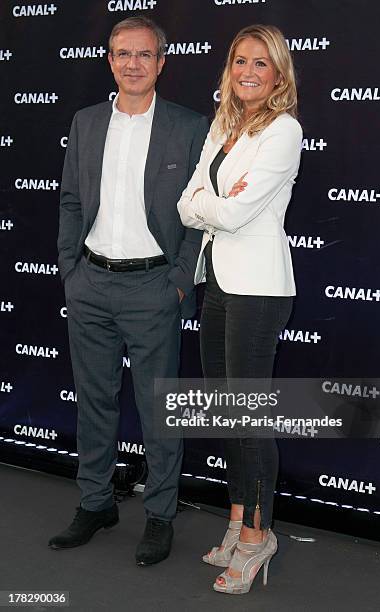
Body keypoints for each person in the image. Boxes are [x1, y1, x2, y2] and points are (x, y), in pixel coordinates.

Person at [50, 16, 209, 566]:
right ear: (110, 60)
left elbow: (198, 217)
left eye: (144, 54)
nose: (132, 64)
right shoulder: (87, 121)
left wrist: (177, 284)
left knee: (158, 408)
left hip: (153, 289)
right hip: (89, 283)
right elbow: (70, 200)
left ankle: (160, 515)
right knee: (94, 403)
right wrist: (71, 269)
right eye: (122, 53)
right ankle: (96, 502)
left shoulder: (189, 127)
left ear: (162, 62)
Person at [177, 24, 302, 594]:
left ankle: (259, 538)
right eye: (239, 62)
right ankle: (235, 519)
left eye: (261, 63)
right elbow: (188, 204)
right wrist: (212, 202)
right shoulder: (224, 125)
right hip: (219, 280)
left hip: (258, 288)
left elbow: (232, 214)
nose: (248, 72)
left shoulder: (284, 130)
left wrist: (213, 203)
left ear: (278, 73)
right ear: (228, 69)